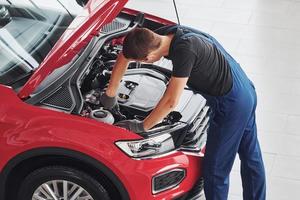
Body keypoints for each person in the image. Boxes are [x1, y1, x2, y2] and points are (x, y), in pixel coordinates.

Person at [100, 24, 266, 200]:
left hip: (232, 104)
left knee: (215, 170)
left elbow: (171, 101)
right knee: (250, 155)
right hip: (245, 89)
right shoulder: (163, 35)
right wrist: (110, 93)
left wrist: (142, 125)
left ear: (148, 58)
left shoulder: (185, 51)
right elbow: (124, 56)